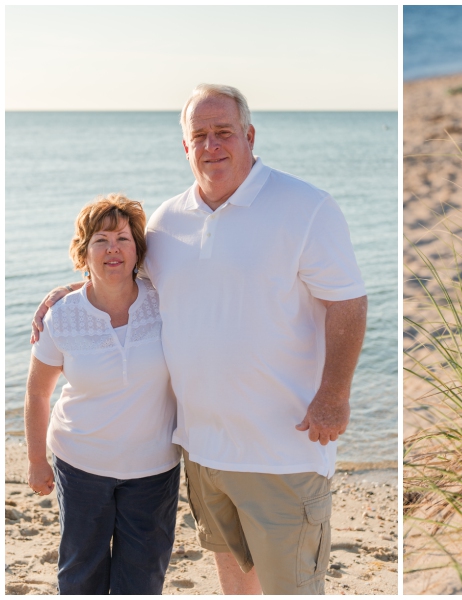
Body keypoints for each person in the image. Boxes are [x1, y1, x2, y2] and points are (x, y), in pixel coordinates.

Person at [33, 84, 368, 595]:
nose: (212, 145)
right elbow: (120, 274)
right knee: (236, 587)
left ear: (249, 135)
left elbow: (347, 301)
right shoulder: (168, 224)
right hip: (203, 454)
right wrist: (72, 292)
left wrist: (334, 395)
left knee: (294, 589)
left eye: (223, 133)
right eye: (199, 136)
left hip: (283, 452)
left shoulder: (306, 207)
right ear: (185, 148)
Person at [26, 195, 181, 594]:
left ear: (138, 250)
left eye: (123, 238)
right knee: (81, 575)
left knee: (142, 580)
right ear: (83, 251)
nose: (113, 247)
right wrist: (36, 462)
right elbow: (38, 393)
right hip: (81, 466)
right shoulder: (61, 315)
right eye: (101, 239)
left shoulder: (166, 301)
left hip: (154, 469)